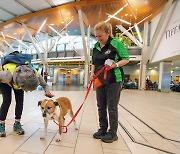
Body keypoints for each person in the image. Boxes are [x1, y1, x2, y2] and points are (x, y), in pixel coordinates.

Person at [90, 21, 129, 143]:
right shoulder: (96, 46)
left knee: (112, 107)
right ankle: (103, 128)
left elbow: (126, 59)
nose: (98, 38)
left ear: (108, 33)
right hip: (99, 80)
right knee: (100, 105)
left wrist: (115, 65)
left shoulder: (116, 43)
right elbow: (94, 62)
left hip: (114, 79)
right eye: (96, 36)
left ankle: (112, 132)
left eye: (100, 36)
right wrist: (91, 73)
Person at [0, 54, 54, 137]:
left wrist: (47, 92)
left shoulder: (34, 73)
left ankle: (17, 123)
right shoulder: (7, 74)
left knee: (20, 101)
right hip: (5, 82)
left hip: (16, 81)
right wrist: (7, 81)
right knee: (7, 100)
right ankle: (1, 124)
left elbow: (45, 84)